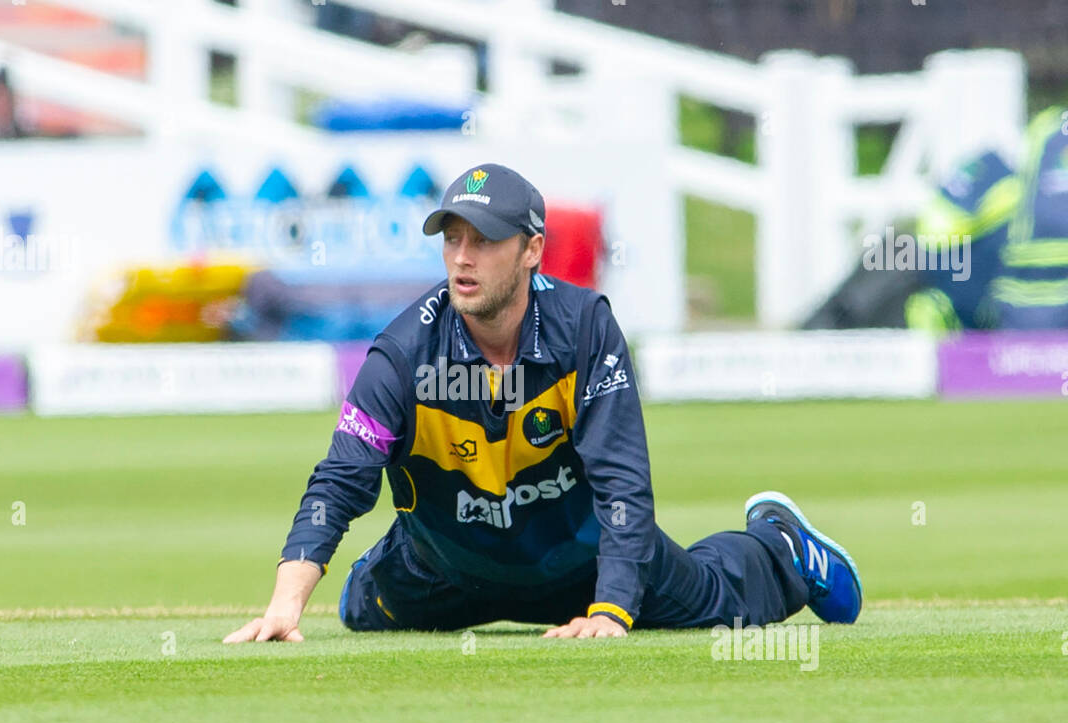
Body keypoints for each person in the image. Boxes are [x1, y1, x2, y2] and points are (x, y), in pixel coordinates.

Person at [224, 164, 862, 643]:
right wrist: (285, 604)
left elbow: (622, 482)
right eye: (452, 238)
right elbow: (340, 480)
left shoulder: (585, 328)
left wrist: (611, 611)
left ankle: (782, 545)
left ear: (532, 250)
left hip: (583, 561)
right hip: (446, 568)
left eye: (485, 240)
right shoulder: (401, 351)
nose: (463, 258)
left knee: (721, 604)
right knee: (362, 612)